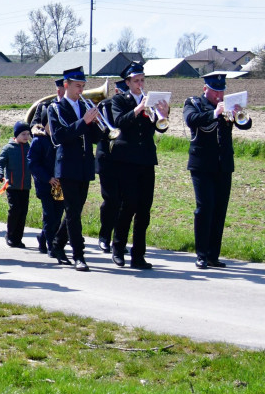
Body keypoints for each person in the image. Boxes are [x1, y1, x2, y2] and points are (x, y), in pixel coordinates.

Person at [183, 72, 252, 269]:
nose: (219, 96)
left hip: (223, 165)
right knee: (205, 208)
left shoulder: (227, 105)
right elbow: (191, 120)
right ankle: (201, 254)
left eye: (221, 91)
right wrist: (215, 112)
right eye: (215, 91)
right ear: (206, 89)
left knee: (220, 210)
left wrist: (239, 113)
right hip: (202, 165)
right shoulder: (194, 103)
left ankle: (213, 254)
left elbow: (246, 124)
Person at [107, 63, 169, 269]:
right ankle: (118, 248)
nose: (140, 84)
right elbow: (120, 122)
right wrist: (138, 108)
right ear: (127, 83)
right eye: (136, 81)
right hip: (125, 161)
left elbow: (158, 129)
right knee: (128, 205)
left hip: (146, 160)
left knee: (144, 209)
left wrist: (162, 114)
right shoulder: (119, 100)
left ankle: (138, 254)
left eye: (142, 80)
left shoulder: (149, 102)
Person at [47, 66, 105, 272]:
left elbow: (95, 139)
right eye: (77, 86)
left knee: (75, 210)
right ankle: (79, 254)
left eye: (83, 86)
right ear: (66, 85)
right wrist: (84, 121)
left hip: (85, 165)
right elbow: (59, 136)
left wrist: (97, 124)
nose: (81, 90)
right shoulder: (55, 108)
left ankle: (57, 245)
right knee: (72, 211)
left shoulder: (84, 106)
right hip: (67, 166)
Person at [96, 80, 128, 253]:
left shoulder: (132, 107)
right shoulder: (105, 106)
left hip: (125, 160)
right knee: (111, 199)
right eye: (123, 92)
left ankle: (118, 240)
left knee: (124, 201)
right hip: (107, 159)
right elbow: (99, 133)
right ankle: (104, 236)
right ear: (116, 91)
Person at [28, 117, 64, 259]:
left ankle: (43, 238)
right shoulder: (39, 140)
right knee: (49, 216)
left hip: (59, 184)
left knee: (57, 215)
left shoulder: (59, 138)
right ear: (45, 125)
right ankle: (51, 245)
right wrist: (48, 179)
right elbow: (33, 163)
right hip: (45, 184)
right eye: (51, 123)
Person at [0, 122, 32, 248]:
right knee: (15, 210)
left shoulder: (30, 148)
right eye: (23, 134)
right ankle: (10, 235)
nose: (26, 136)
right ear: (16, 135)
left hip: (25, 186)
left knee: (23, 212)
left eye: (28, 134)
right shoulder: (9, 148)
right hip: (12, 186)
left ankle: (18, 238)